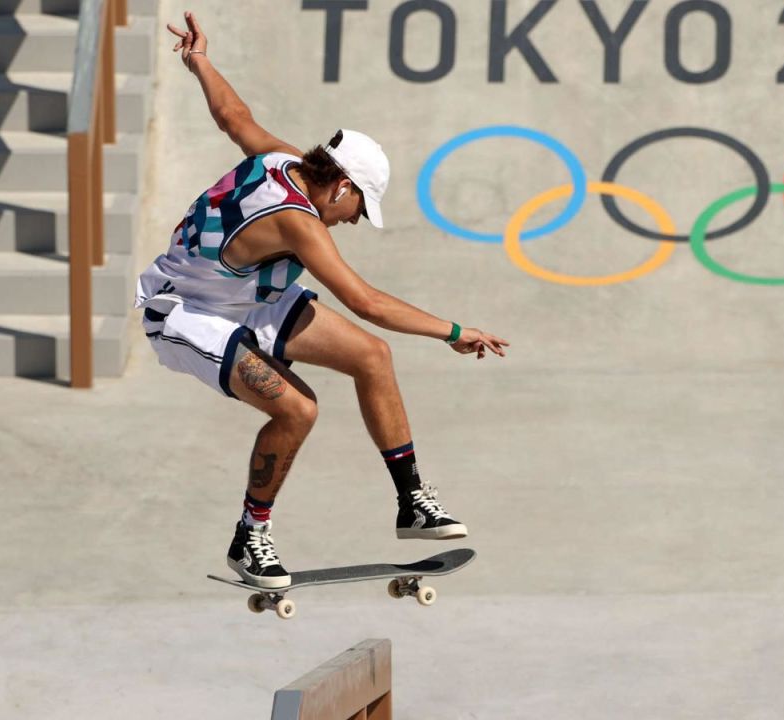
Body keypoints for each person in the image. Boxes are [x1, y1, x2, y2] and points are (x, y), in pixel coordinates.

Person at [138, 12, 509, 590]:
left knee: (372, 356)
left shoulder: (284, 160)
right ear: (340, 185)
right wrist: (454, 331)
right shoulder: (297, 220)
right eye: (358, 209)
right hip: (185, 312)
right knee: (297, 408)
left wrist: (199, 60)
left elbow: (233, 117)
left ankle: (412, 501)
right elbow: (365, 299)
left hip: (243, 296)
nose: (353, 221)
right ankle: (249, 536)